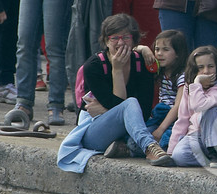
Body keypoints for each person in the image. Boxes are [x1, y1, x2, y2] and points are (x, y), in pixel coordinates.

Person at [57, 14, 170, 171]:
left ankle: (125, 147)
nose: (121, 42)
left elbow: (143, 112)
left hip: (130, 126)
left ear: (134, 39)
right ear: (106, 41)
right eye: (114, 38)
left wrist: (106, 110)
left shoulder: (141, 63)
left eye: (126, 37)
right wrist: (117, 70)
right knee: (131, 103)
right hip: (95, 132)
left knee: (142, 127)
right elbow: (120, 106)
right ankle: (149, 147)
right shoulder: (94, 66)